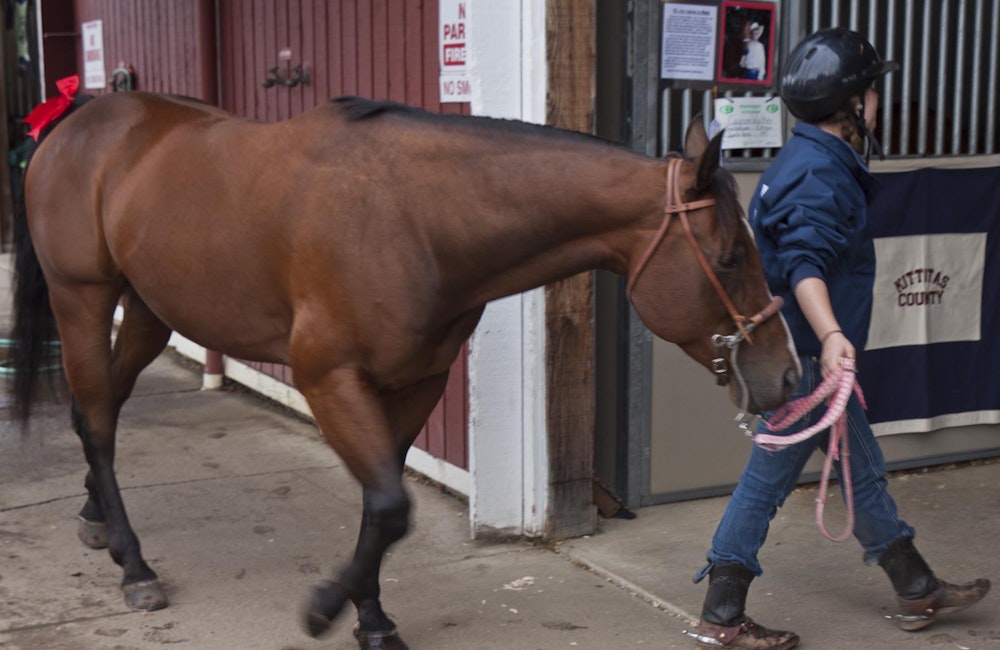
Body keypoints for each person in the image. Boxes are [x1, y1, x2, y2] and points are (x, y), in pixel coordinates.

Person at [689, 28, 991, 650]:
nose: (878, 101)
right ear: (853, 103)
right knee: (766, 484)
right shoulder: (818, 174)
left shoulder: (805, 157)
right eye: (873, 90)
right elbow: (805, 265)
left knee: (863, 473)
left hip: (811, 359)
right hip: (807, 360)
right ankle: (722, 615)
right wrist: (830, 336)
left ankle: (916, 586)